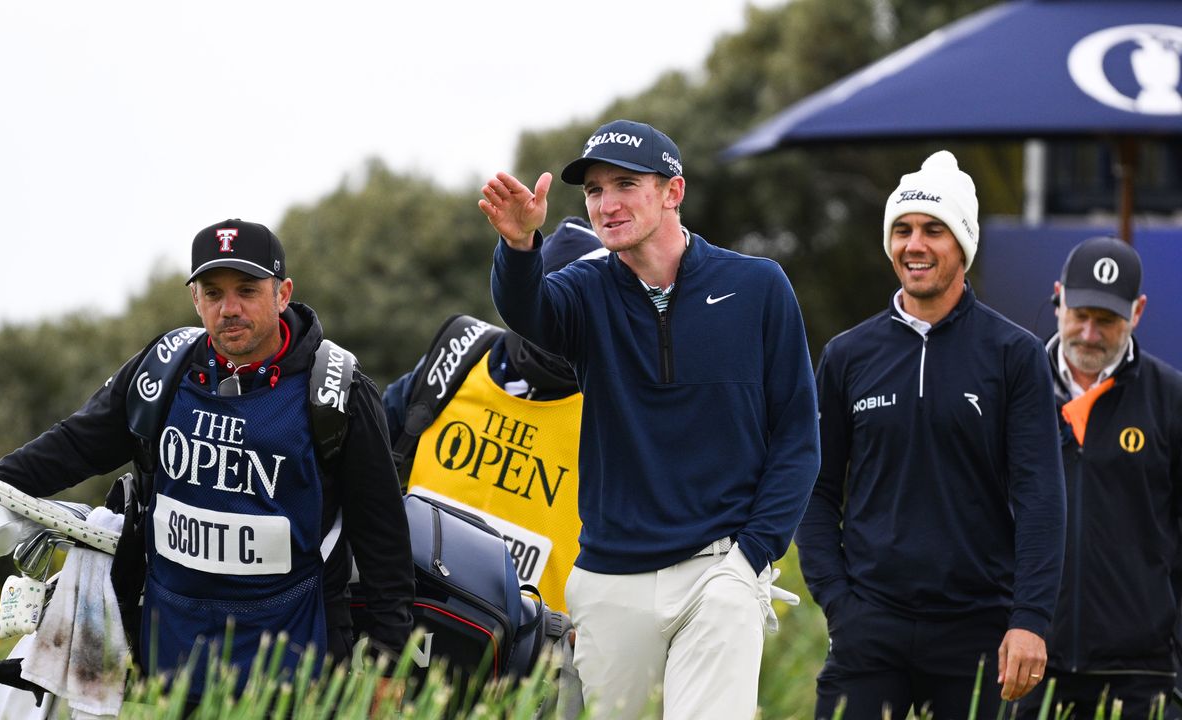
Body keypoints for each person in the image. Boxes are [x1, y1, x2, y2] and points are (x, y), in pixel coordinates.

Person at [0, 219, 414, 700]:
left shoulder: (336, 392)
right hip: (170, 655)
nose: (229, 308)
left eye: (247, 290)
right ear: (195, 300)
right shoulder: (164, 369)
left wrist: (387, 667)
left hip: (291, 662)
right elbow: (76, 444)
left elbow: (383, 541)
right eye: (213, 292)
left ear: (282, 294)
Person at [478, 119, 820, 719]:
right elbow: (529, 310)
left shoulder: (758, 287)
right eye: (594, 191)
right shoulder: (584, 291)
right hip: (611, 580)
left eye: (625, 185)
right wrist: (519, 246)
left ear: (673, 192)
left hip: (720, 570)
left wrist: (754, 555)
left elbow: (797, 434)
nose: (606, 205)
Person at [796, 150, 1067, 718]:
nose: (914, 245)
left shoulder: (1014, 355)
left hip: (983, 630)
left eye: (933, 230)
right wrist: (839, 603)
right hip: (870, 627)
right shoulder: (847, 355)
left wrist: (1030, 620)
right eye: (902, 229)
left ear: (963, 245)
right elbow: (814, 490)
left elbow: (1041, 496)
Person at [383, 216, 607, 612]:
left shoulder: (618, 409)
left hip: (536, 658)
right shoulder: (454, 360)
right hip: (405, 626)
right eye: (551, 303)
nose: (560, 325)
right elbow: (356, 464)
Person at [1015, 236, 1182, 719]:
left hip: (1143, 677)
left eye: (1107, 320)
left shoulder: (1170, 400)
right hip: (1027, 668)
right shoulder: (1011, 392)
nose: (1089, 333)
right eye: (1080, 314)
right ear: (1058, 296)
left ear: (1139, 310)